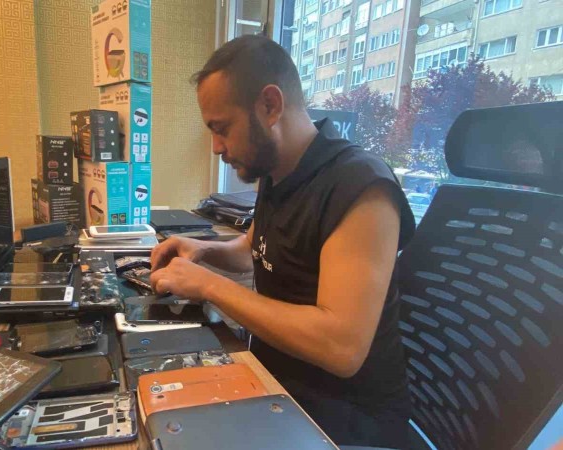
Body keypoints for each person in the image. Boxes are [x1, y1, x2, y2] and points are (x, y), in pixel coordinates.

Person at [150, 35, 415, 448]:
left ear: (270, 106)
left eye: (222, 129)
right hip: (275, 384)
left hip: (344, 420)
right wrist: (202, 251)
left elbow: (341, 347)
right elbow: (254, 252)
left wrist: (208, 286)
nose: (217, 147)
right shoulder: (279, 172)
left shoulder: (362, 188)